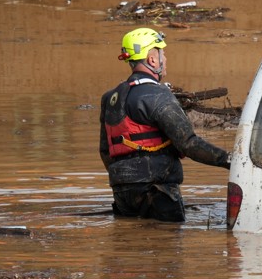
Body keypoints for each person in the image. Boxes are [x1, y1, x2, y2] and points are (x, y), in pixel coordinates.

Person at [99, 27, 231, 221]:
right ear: (152, 60)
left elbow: (105, 151)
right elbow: (189, 144)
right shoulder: (157, 94)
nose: (165, 59)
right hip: (158, 190)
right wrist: (229, 160)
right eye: (163, 53)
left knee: (130, 236)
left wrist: (126, 178)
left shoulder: (110, 98)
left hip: (122, 192)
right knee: (168, 238)